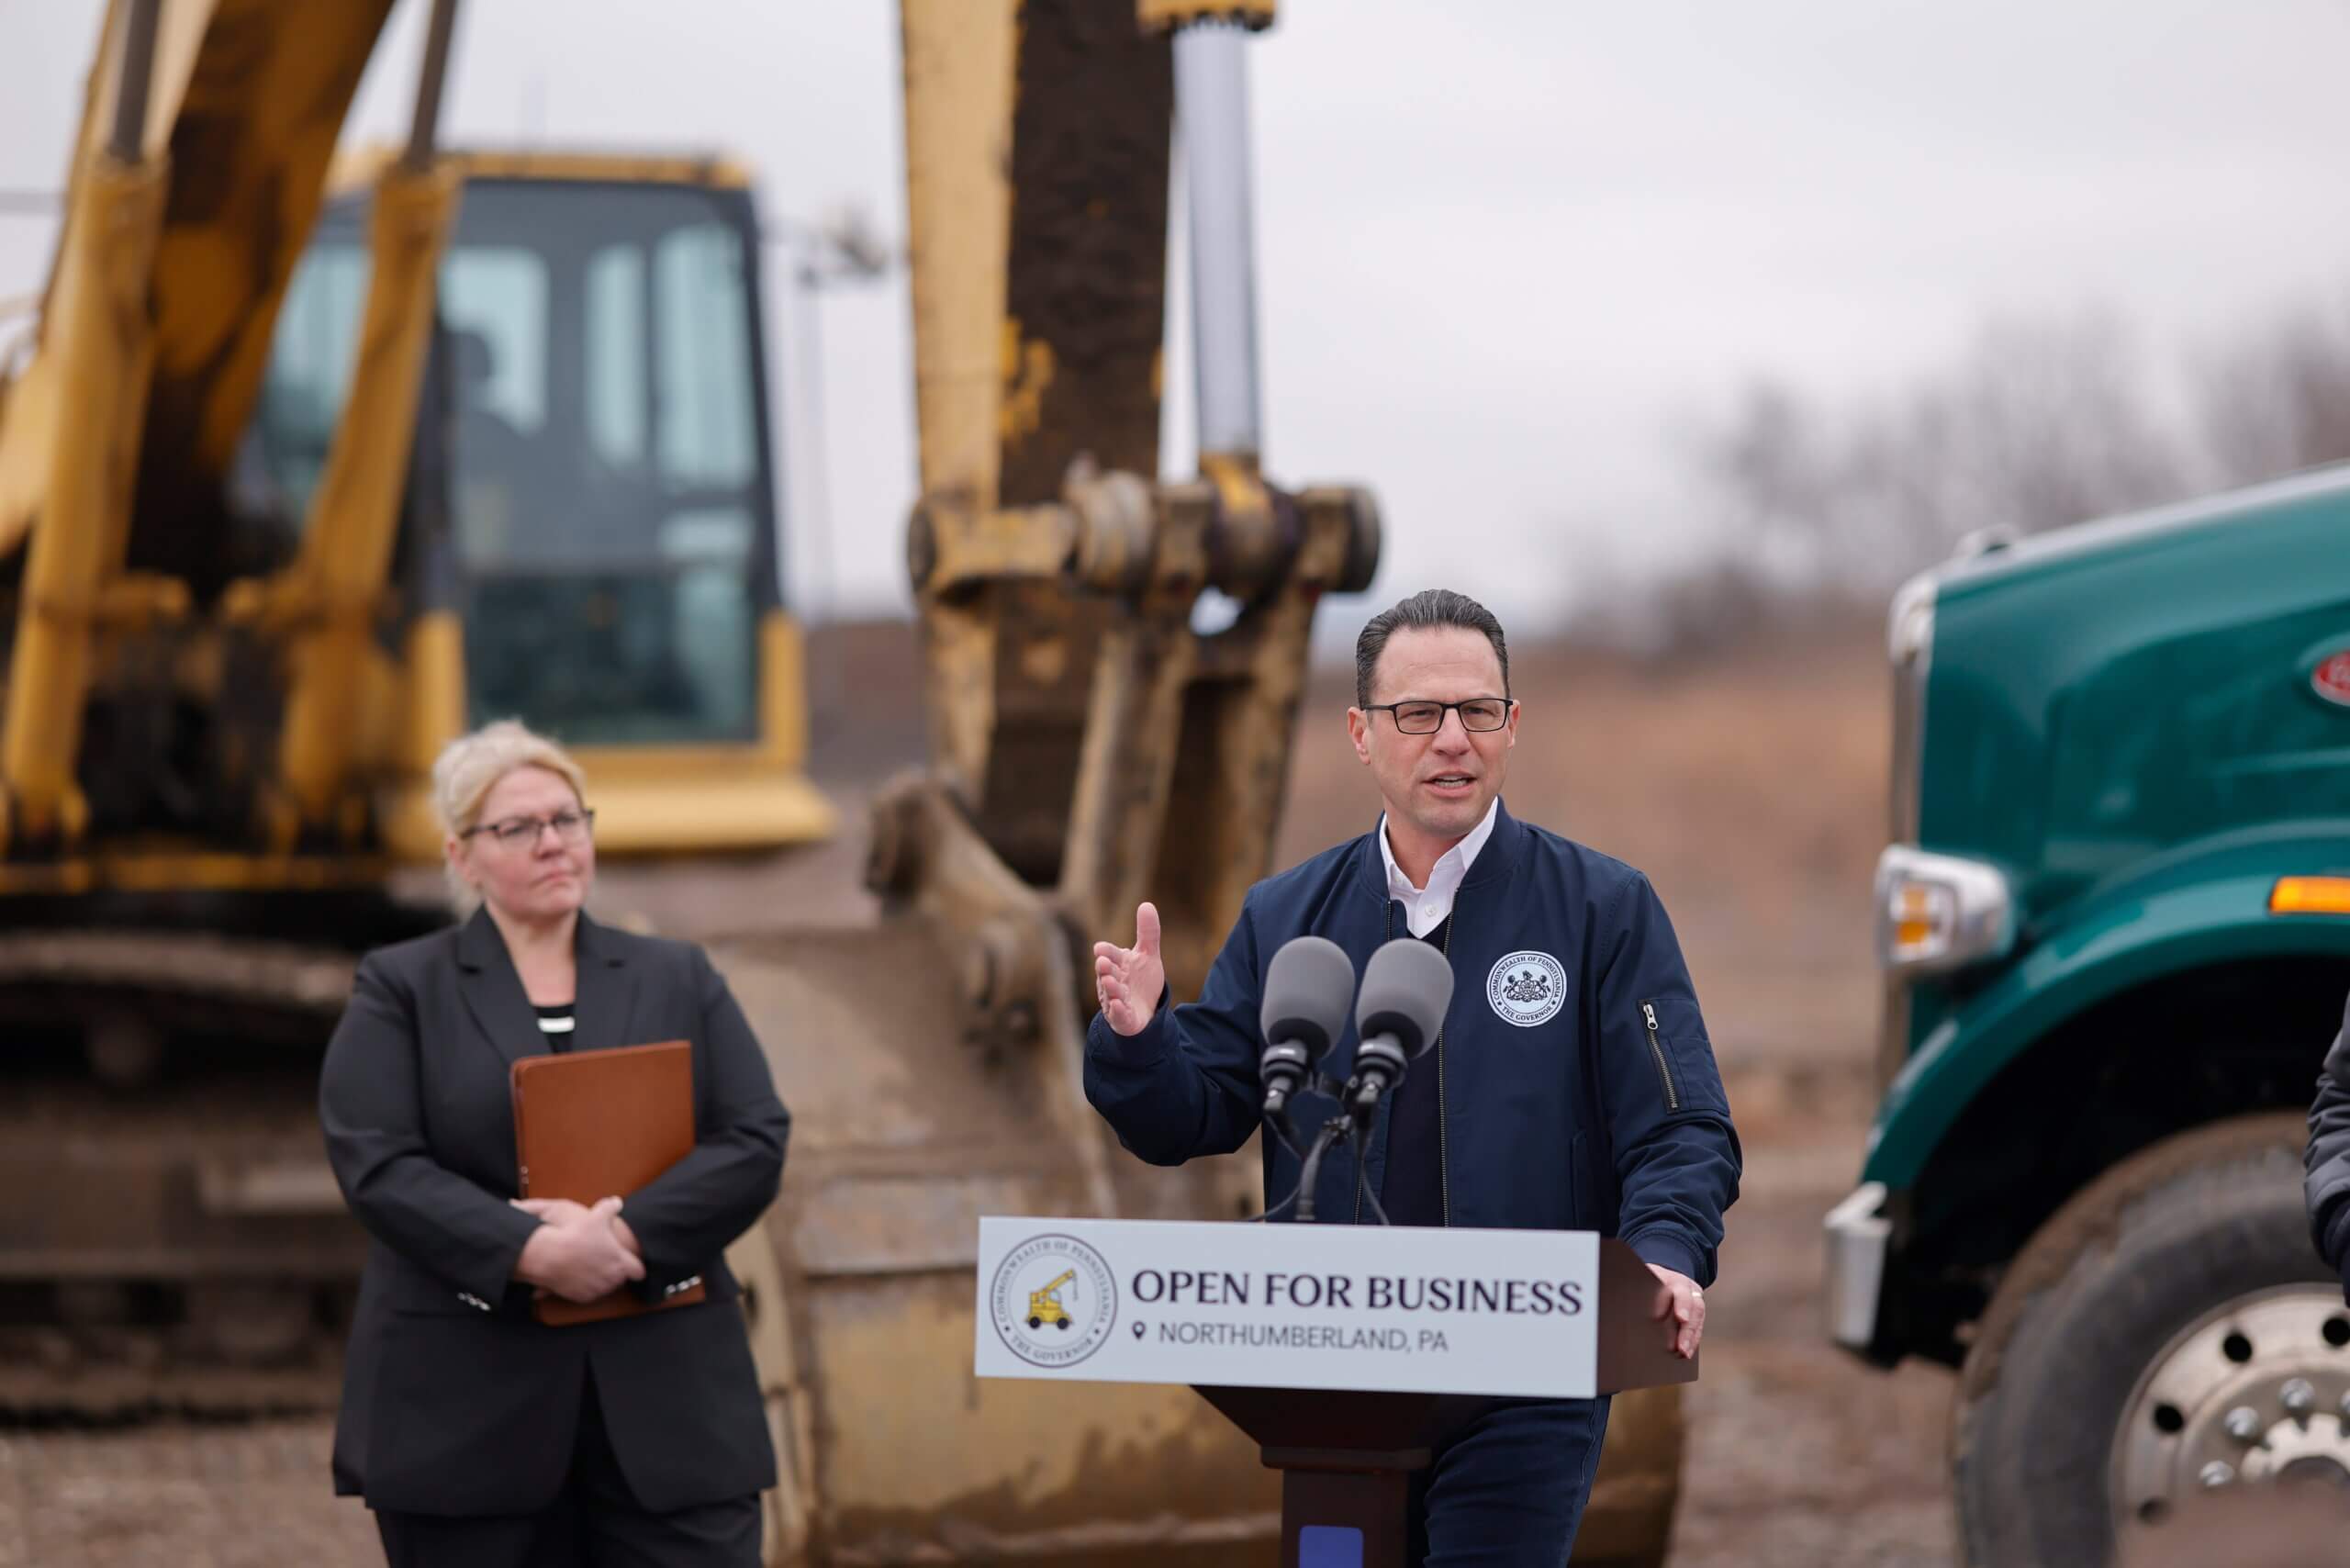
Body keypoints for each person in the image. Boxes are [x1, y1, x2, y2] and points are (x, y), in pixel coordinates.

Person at [1084, 588, 1742, 1566]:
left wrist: (1666, 1252)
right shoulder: (1286, 917)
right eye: (1417, 714)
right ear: (1360, 732)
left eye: (1478, 711)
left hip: (1529, 1366)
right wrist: (1140, 1041)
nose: (1452, 739)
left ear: (1511, 726)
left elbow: (1681, 1127)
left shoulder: (1602, 908)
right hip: (1335, 1374)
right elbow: (1198, 1109)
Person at [319, 720, 789, 1567]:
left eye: (569, 819)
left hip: (670, 1412)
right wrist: (529, 1250)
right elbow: (378, 1162)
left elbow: (754, 1138)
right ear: (462, 857)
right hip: (465, 1414)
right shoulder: (401, 988)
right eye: (518, 827)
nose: (553, 843)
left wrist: (623, 1239)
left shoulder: (677, 976)